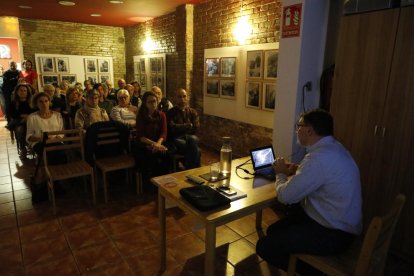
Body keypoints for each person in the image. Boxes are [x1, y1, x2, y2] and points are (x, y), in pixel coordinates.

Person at [256, 109, 362, 273]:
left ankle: (315, 271)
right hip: (340, 223)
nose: (297, 130)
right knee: (273, 231)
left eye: (299, 126)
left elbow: (284, 197)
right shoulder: (335, 148)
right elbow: (324, 175)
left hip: (333, 233)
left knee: (265, 247)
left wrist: (281, 173)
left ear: (309, 130)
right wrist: (298, 170)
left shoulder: (317, 159)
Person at [135, 91, 170, 190]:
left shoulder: (161, 115)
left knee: (166, 154)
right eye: (150, 102)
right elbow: (141, 136)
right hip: (143, 144)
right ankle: (150, 185)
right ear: (145, 103)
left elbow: (164, 133)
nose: (153, 104)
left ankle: (164, 185)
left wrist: (158, 144)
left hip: (157, 143)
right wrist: (154, 145)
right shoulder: (141, 116)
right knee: (149, 156)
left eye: (155, 101)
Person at [167, 88, 201, 169]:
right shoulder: (171, 112)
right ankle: (192, 169)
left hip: (191, 137)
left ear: (187, 97)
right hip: (177, 138)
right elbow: (172, 128)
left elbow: (196, 128)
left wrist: (180, 126)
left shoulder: (192, 112)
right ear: (176, 98)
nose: (182, 99)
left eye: (184, 96)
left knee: (192, 140)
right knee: (197, 150)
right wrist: (187, 125)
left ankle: (188, 168)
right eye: (179, 97)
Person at [8, 84, 34, 157]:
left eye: (25, 90)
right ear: (17, 92)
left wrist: (28, 117)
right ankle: (23, 148)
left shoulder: (31, 102)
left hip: (31, 121)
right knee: (20, 130)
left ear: (27, 92)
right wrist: (22, 116)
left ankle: (33, 145)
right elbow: (12, 114)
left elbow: (34, 112)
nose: (23, 92)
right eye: (21, 90)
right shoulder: (13, 103)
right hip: (18, 122)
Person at [2, 61, 21, 126]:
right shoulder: (6, 73)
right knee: (8, 105)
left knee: (17, 104)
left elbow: (20, 81)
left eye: (14, 65)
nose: (13, 66)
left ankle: (16, 119)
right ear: (9, 66)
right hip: (7, 92)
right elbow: (6, 82)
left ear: (16, 65)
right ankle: (9, 121)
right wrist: (15, 79)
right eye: (11, 65)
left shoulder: (19, 72)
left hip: (16, 91)